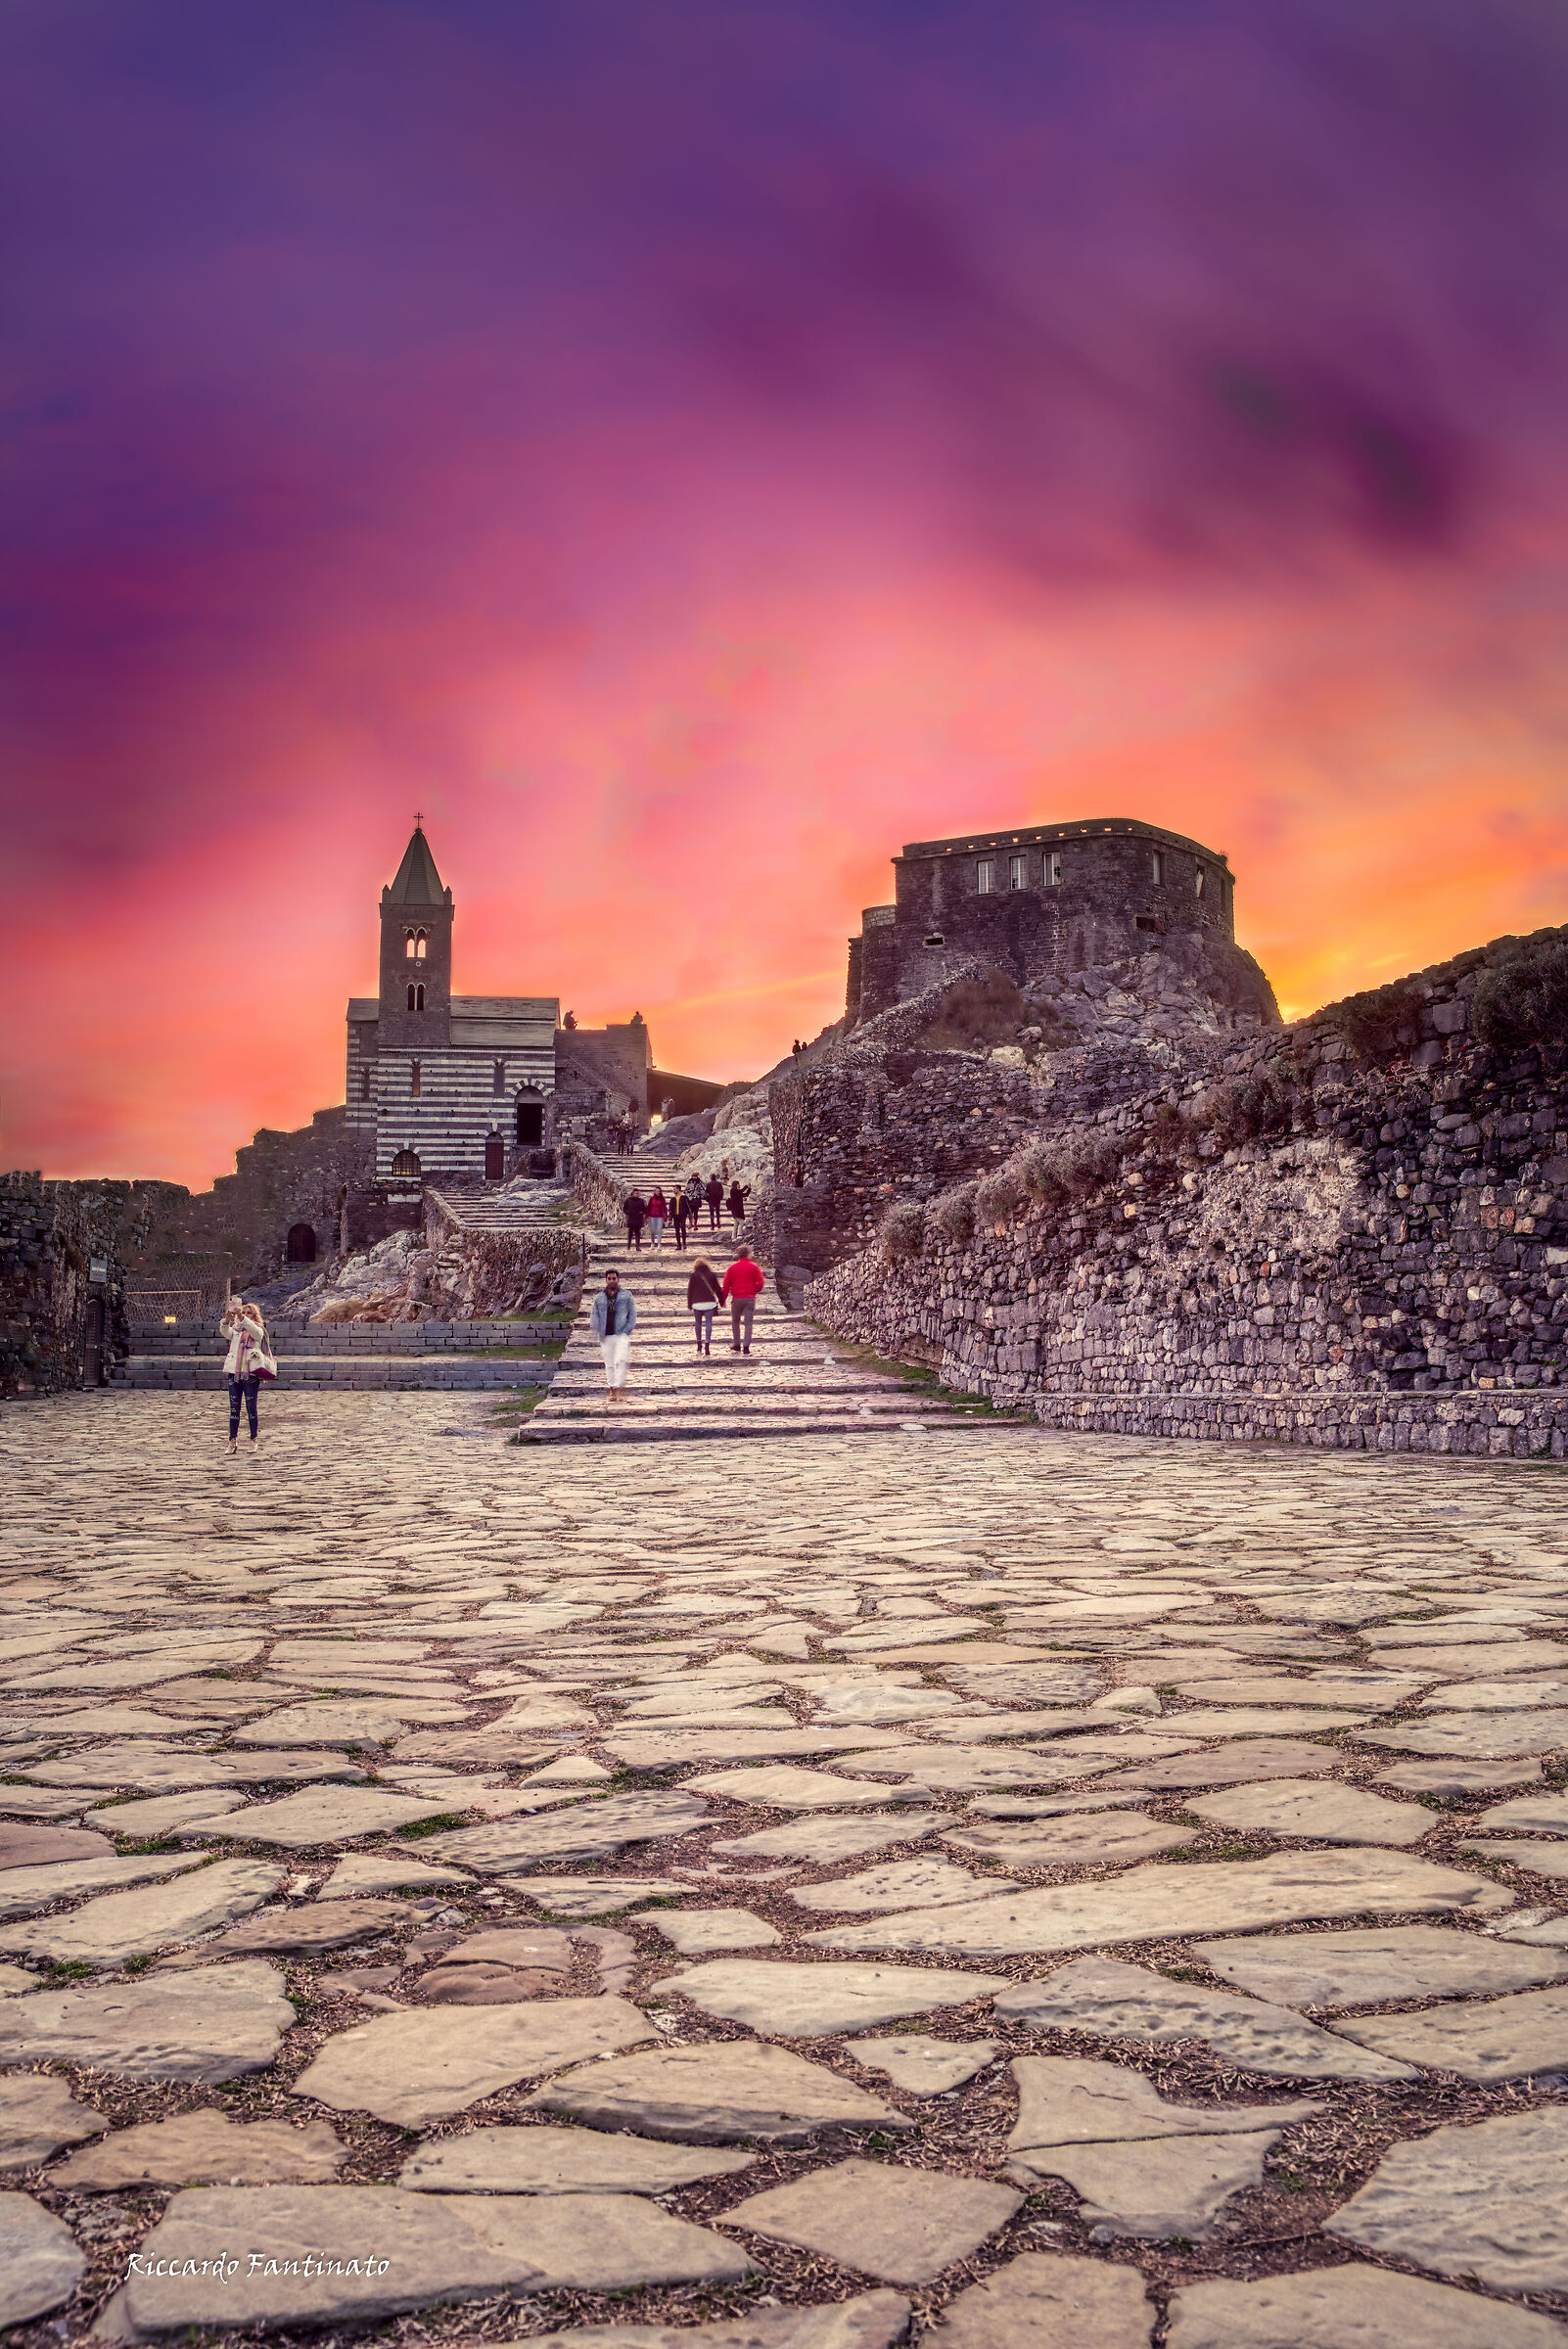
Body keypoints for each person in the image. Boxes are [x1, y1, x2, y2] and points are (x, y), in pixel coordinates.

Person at [220, 1295, 269, 1455]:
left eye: (249, 1313)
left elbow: (255, 1333)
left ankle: (253, 1440)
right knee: (234, 1409)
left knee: (251, 1409)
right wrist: (227, 1319)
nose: (245, 1315)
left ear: (254, 1316)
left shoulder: (259, 1329)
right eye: (243, 1312)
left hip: (250, 1374)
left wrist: (242, 1318)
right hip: (234, 1373)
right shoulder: (236, 1330)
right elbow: (225, 1332)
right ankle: (232, 1442)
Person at [590, 1267, 636, 1401]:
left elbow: (632, 1314)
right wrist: (597, 1329)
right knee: (609, 1364)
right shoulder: (599, 1298)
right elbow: (595, 1315)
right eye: (609, 1279)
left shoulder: (626, 1296)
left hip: (621, 1333)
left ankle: (620, 1384)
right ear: (606, 1280)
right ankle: (613, 1389)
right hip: (606, 1335)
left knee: (621, 1359)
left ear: (618, 1279)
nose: (612, 1281)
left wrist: (627, 1330)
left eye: (614, 1278)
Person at [721, 1245, 765, 1355]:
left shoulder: (732, 1268)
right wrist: (754, 1291)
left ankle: (737, 1344)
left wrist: (723, 1298)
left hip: (737, 1298)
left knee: (735, 1322)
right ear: (748, 1254)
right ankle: (746, 1346)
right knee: (748, 1323)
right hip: (750, 1298)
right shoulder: (754, 1267)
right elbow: (760, 1283)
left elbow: (726, 1285)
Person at [687, 1257, 722, 1355]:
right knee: (708, 1323)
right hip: (709, 1303)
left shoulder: (693, 1275)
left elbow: (690, 1291)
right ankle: (707, 1345)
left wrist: (689, 1304)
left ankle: (699, 1344)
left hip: (697, 1303)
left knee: (698, 1323)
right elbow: (718, 1289)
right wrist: (722, 1301)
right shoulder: (711, 1275)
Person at [670, 1184, 690, 1251]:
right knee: (677, 1231)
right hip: (675, 1216)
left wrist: (690, 1216)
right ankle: (679, 1244)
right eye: (673, 1189)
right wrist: (670, 1218)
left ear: (679, 1190)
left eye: (675, 1189)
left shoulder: (684, 1197)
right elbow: (670, 1209)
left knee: (683, 1229)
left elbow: (688, 1207)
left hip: (682, 1215)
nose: (674, 1191)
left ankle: (684, 1243)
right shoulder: (672, 1199)